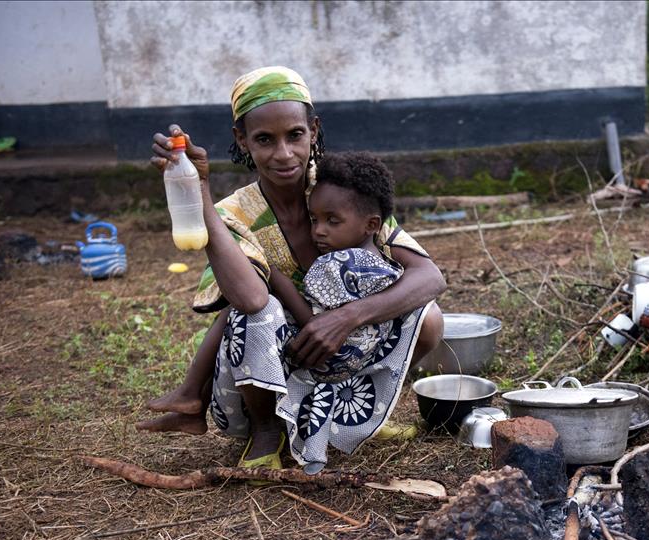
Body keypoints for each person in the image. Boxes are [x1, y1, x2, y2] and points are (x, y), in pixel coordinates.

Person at [139, 66, 445, 474]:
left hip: (342, 349)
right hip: (273, 363)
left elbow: (430, 276)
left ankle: (358, 420)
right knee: (256, 312)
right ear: (242, 140)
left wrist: (346, 317)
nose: (283, 154)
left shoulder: (340, 190)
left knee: (429, 317)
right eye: (264, 139)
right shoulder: (235, 214)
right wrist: (199, 191)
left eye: (294, 135)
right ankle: (267, 432)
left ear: (313, 130)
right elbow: (249, 298)